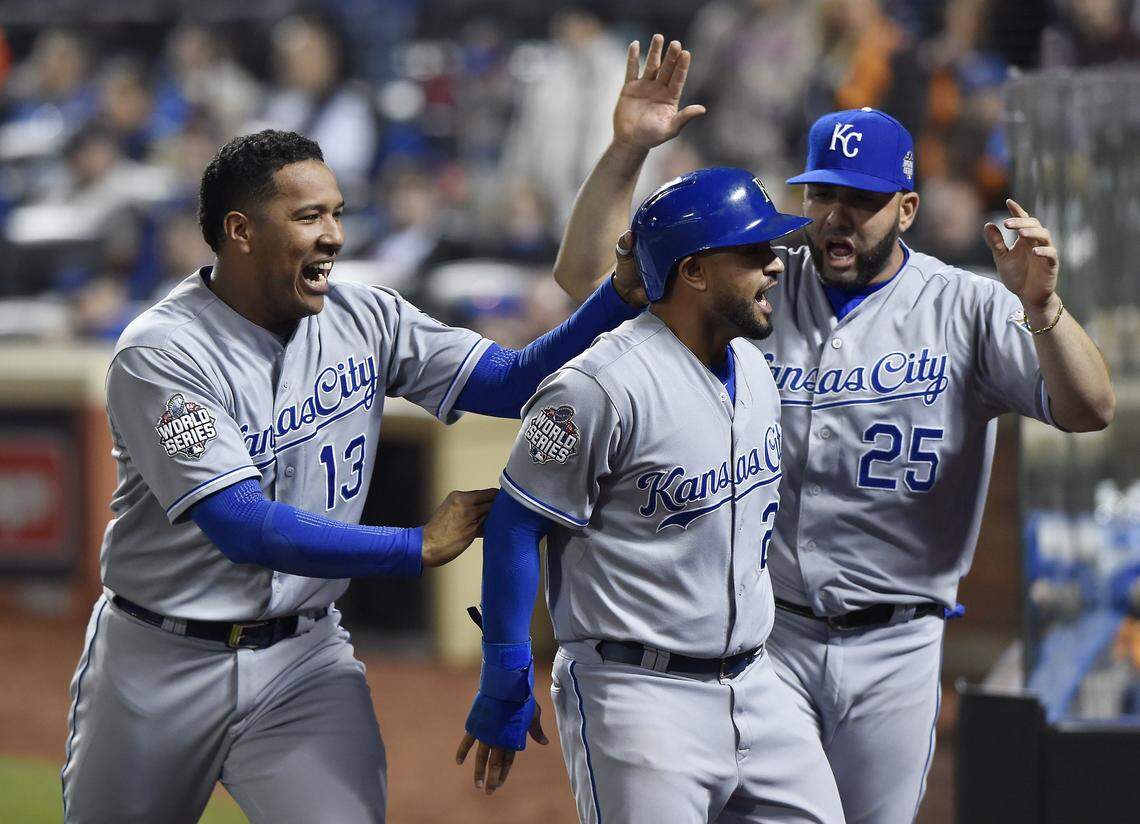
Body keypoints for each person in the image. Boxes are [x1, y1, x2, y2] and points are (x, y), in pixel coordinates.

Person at [61, 128, 647, 823]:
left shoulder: (364, 315)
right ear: (240, 231)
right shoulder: (162, 352)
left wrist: (616, 297)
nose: (334, 235)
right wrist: (413, 546)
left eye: (338, 212)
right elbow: (244, 527)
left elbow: (512, 381)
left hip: (303, 664)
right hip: (156, 662)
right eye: (310, 217)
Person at [551, 100, 1115, 822]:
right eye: (822, 194)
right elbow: (586, 280)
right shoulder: (758, 284)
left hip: (897, 644)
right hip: (766, 639)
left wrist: (1044, 307)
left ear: (907, 208)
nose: (837, 215)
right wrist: (628, 151)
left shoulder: (966, 305)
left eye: (863, 200)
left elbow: (1089, 407)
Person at [456, 166, 845, 824]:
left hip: (758, 682)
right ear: (693, 271)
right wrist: (506, 665)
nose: (775, 266)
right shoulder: (594, 388)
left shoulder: (751, 364)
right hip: (638, 698)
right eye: (753, 252)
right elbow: (518, 523)